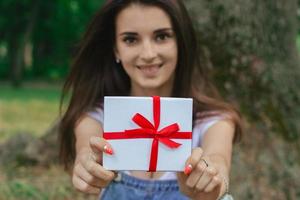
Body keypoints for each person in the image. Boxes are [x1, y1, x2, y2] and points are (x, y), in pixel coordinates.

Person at [59, 0, 242, 199]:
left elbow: (218, 161)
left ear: (180, 42)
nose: (148, 54)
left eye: (162, 37)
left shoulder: (214, 121)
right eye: (130, 40)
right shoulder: (97, 116)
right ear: (116, 49)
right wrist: (87, 163)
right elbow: (87, 145)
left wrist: (212, 184)